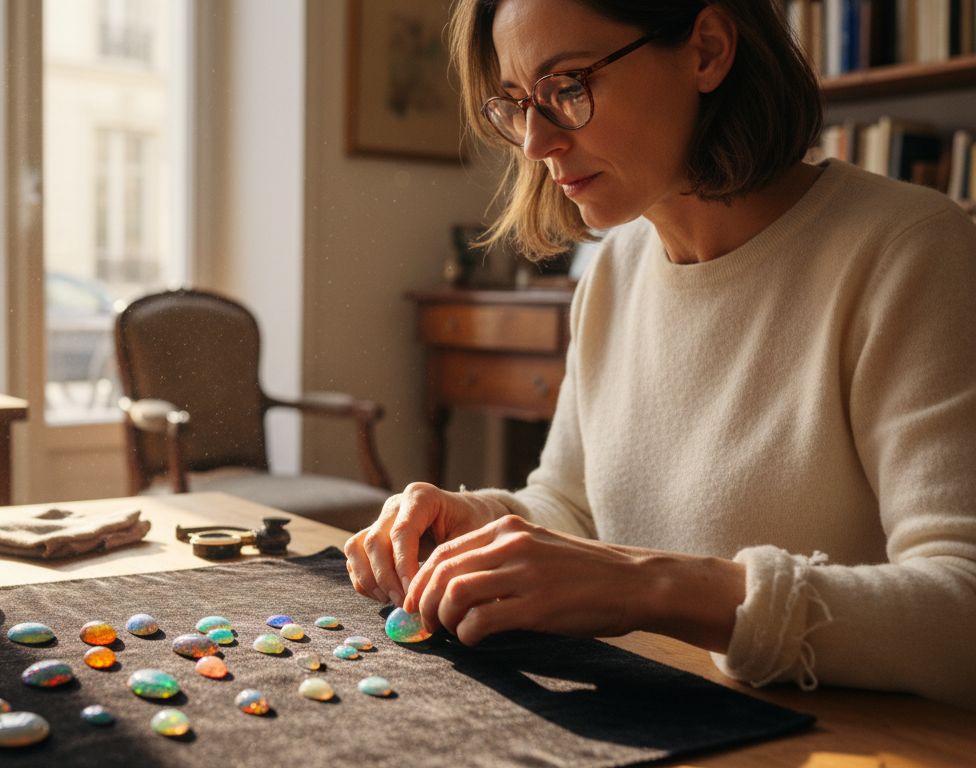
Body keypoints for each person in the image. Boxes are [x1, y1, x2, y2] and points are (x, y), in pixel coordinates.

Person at [345, 0, 976, 709]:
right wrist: (470, 524)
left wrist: (651, 586)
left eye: (568, 86)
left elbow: (962, 607)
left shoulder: (912, 251)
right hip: (658, 723)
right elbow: (574, 506)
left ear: (707, 50)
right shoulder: (615, 269)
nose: (534, 142)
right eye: (518, 103)